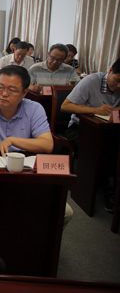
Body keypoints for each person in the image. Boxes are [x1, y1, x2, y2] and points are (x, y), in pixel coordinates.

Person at [60, 57, 120, 212]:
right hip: (80, 128)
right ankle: (105, 187)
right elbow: (65, 106)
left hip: (109, 130)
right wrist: (95, 110)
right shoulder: (92, 81)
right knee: (102, 149)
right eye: (117, 80)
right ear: (110, 70)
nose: (118, 86)